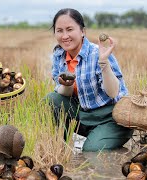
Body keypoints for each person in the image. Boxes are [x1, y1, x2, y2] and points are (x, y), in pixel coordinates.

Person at [45, 8, 133, 151]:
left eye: (69, 29)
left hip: (111, 118)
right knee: (52, 99)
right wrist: (67, 85)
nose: (65, 36)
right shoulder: (59, 56)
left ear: (82, 31)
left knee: (91, 151)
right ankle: (61, 147)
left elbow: (113, 93)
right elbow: (64, 94)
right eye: (59, 30)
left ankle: (101, 139)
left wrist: (104, 63)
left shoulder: (97, 53)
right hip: (84, 116)